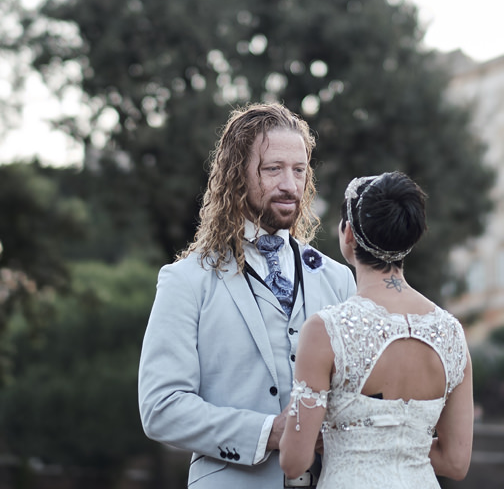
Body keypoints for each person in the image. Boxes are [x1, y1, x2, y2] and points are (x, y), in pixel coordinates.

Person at [138, 103, 356, 488]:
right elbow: (161, 408)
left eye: (299, 170)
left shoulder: (338, 279)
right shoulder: (186, 280)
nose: (290, 185)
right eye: (273, 169)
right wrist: (268, 432)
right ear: (236, 175)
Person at [278, 172, 474, 487]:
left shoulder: (326, 329)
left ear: (349, 234)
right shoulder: (450, 332)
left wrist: (344, 439)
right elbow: (455, 462)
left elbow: (294, 461)